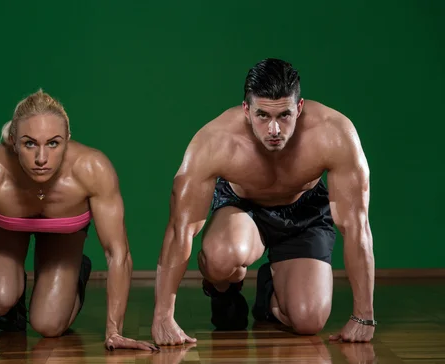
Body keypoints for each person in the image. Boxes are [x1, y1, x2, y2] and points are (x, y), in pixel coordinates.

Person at [0, 89, 157, 352]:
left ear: (68, 139)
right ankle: (12, 297)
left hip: (64, 234)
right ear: (13, 141)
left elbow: (118, 253)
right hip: (6, 228)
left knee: (48, 326)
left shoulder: (93, 168)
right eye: (30, 144)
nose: (41, 159)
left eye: (53, 143)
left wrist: (114, 332)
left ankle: (76, 273)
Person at [151, 58, 376, 345]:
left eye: (284, 115)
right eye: (262, 116)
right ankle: (224, 290)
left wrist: (364, 315)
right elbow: (179, 229)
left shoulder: (334, 134)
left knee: (309, 321)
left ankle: (270, 292)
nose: (274, 130)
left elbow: (357, 227)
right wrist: (163, 316)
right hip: (244, 210)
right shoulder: (215, 142)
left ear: (300, 107)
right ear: (246, 110)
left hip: (304, 216)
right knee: (220, 256)